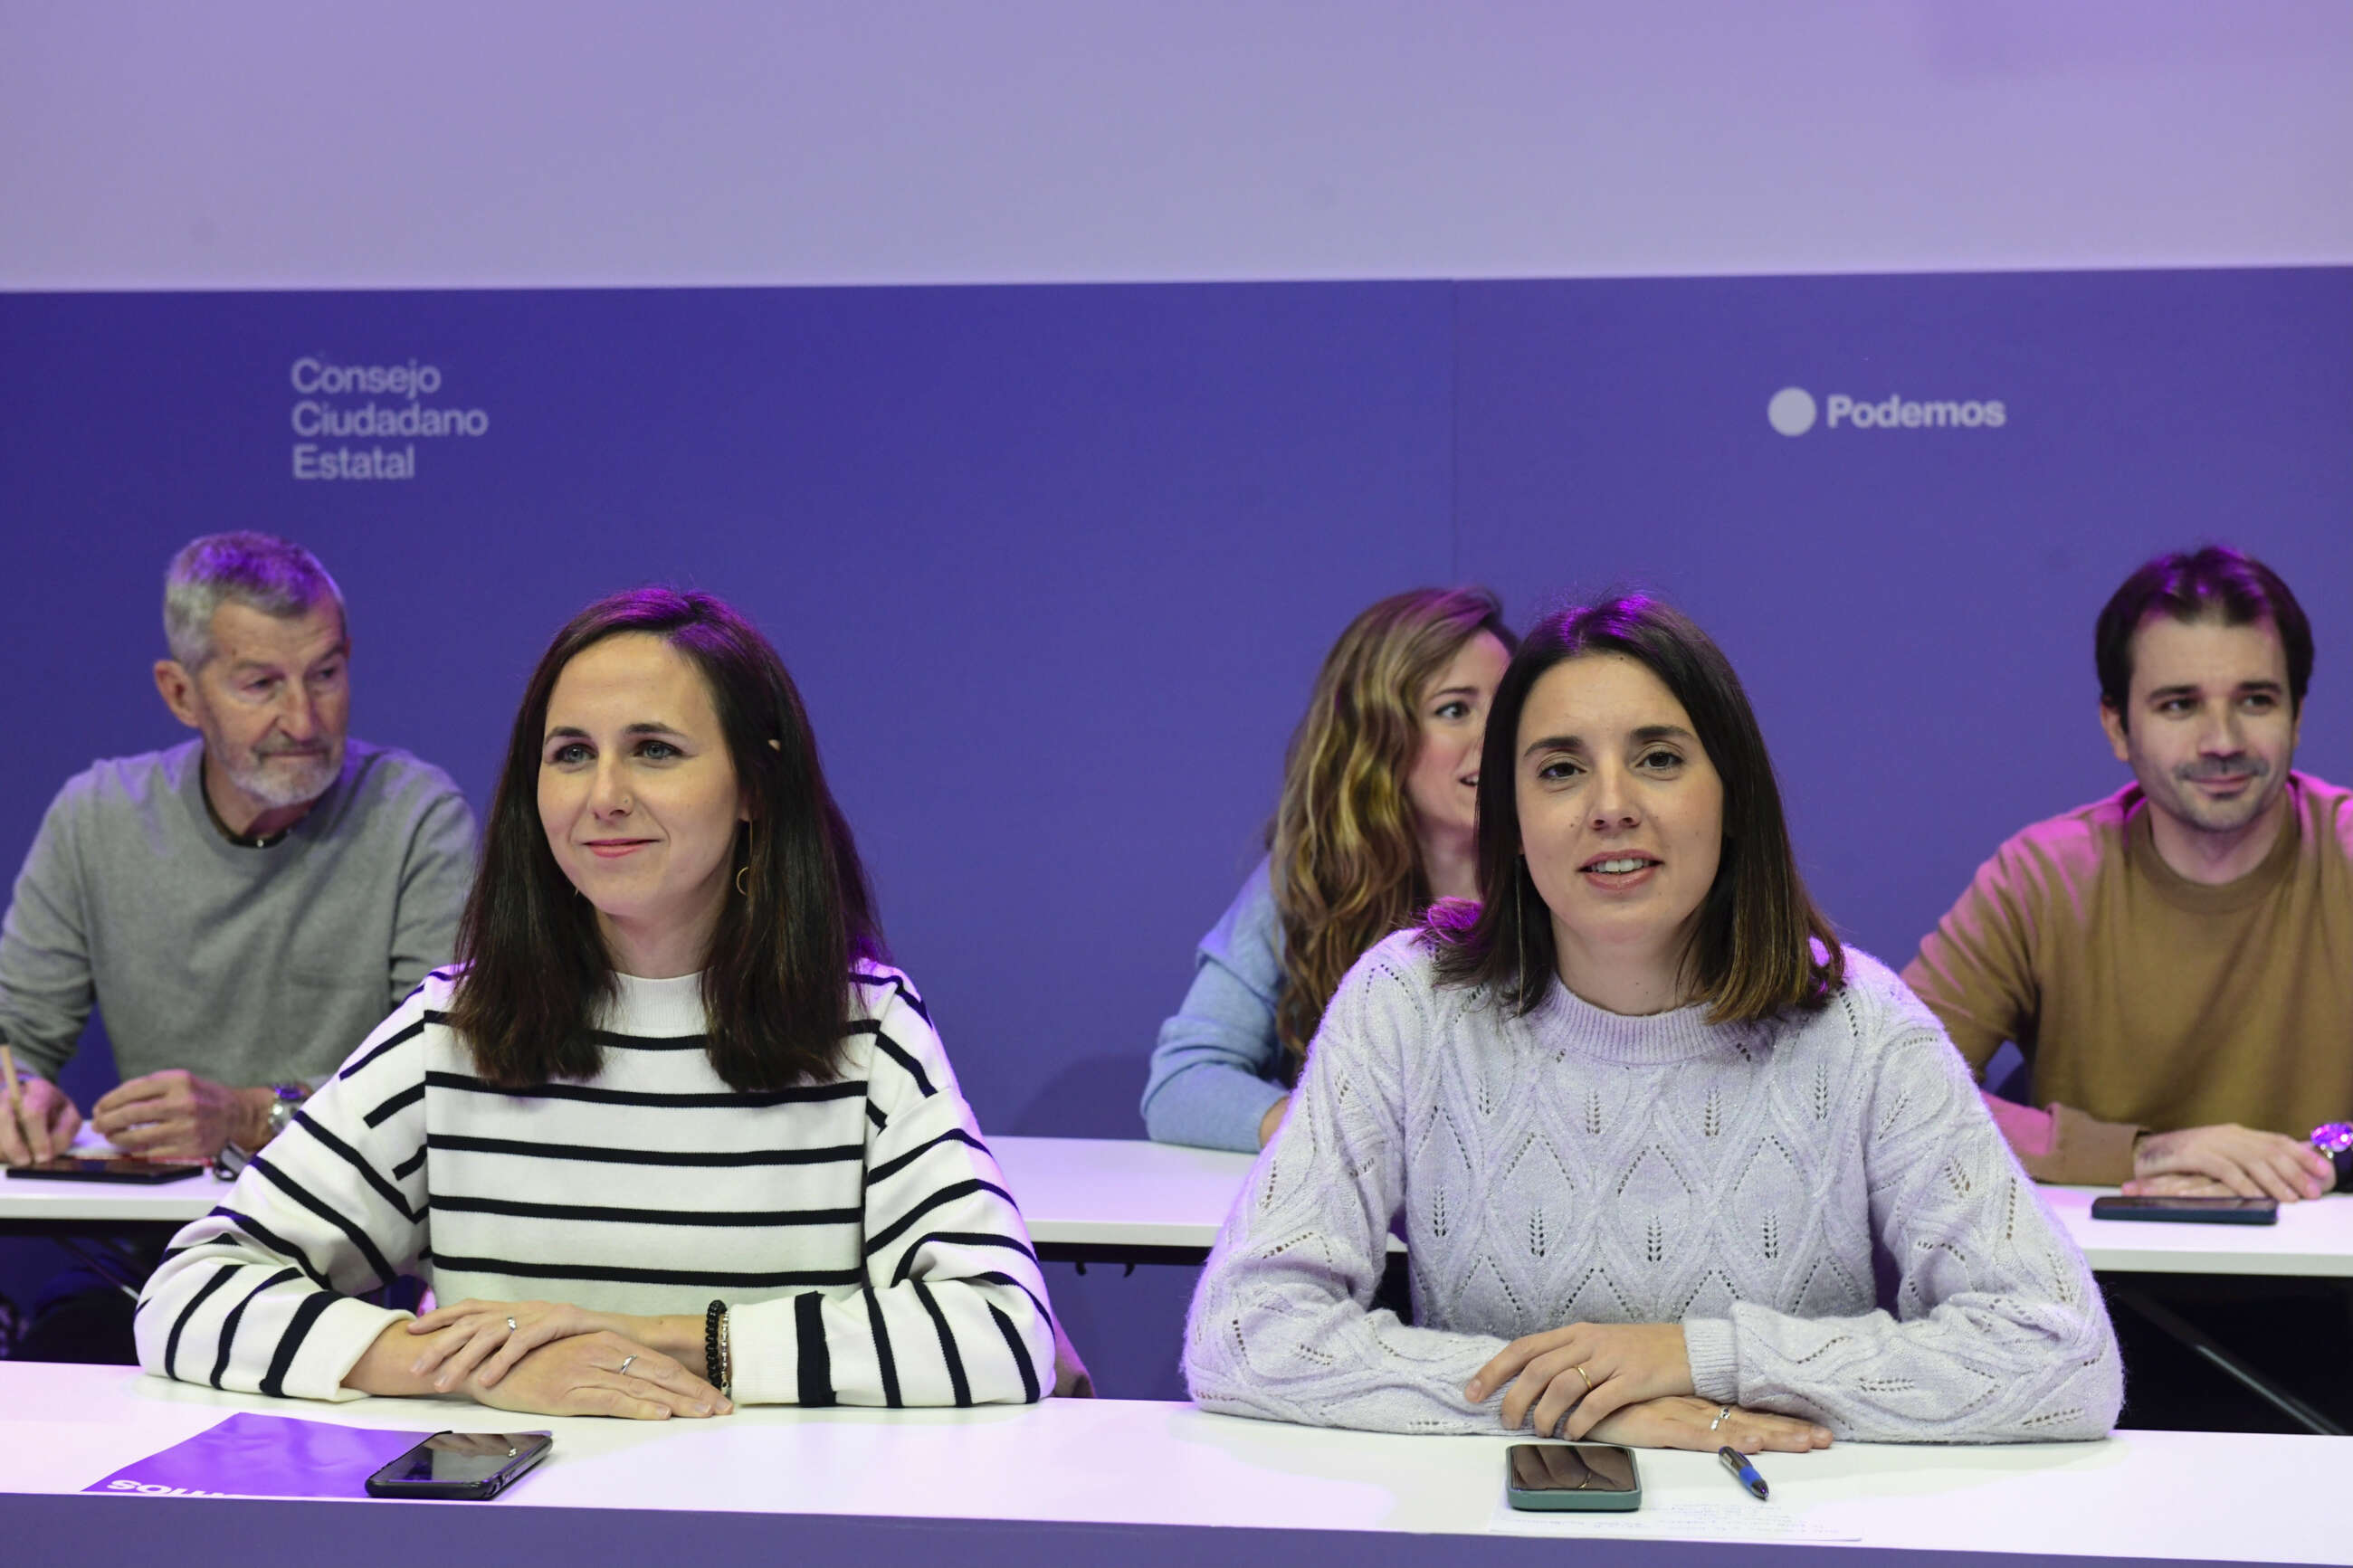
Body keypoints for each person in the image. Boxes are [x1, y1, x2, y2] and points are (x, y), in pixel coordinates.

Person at [1185, 594, 2120, 1446]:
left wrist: (1698, 1358)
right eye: (1558, 769)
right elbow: (1244, 1333)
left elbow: (2063, 1358)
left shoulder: (1858, 1022)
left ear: (1732, 793)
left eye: (1658, 758)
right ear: (1509, 818)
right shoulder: (1408, 1001)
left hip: (1785, 1534)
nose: (1610, 807)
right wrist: (1589, 1404)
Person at [137, 588, 1060, 1414]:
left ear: (755, 785)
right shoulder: (447, 1031)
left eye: (654, 750)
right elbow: (190, 1291)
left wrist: (658, 1342)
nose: (603, 795)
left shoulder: (868, 1031)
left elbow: (1002, 1331)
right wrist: (474, 1366)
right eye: (570, 753)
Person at [0, 532, 475, 1361]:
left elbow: (444, 1084)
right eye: (261, 684)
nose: (304, 719)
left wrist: (251, 1114)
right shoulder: (98, 817)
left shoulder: (414, 817)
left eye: (325, 674)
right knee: (62, 1361)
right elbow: (16, 1038)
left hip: (349, 1265)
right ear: (180, 692)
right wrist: (19, 1093)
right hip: (139, 1263)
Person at [1904, 546, 2349, 1198]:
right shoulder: (2042, 879)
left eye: (2256, 700)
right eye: (2179, 705)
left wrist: (2321, 1160)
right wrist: (2140, 1155)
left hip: (2332, 1281)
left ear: (2298, 717)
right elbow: (1890, 1093)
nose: (2222, 739)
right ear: (2118, 727)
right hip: (2099, 1286)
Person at [1142, 588, 1515, 1151]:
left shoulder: (1567, 872)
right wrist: (1336, 1130)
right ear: (1378, 737)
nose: (1498, 738)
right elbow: (1181, 1083)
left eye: (1510, 708)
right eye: (1455, 710)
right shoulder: (1306, 881)